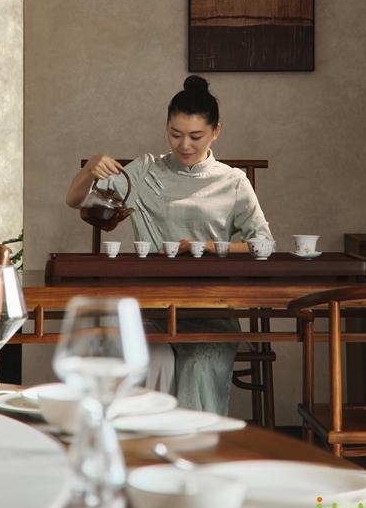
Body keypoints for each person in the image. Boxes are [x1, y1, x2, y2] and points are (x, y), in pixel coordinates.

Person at [66, 75, 273, 415]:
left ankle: (193, 443)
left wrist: (208, 248)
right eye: (175, 134)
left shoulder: (233, 181)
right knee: (146, 357)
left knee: (200, 360)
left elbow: (263, 244)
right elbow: (75, 201)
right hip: (149, 306)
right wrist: (91, 167)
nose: (184, 145)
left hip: (210, 309)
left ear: (216, 131)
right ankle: (142, 442)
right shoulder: (145, 171)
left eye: (196, 136)